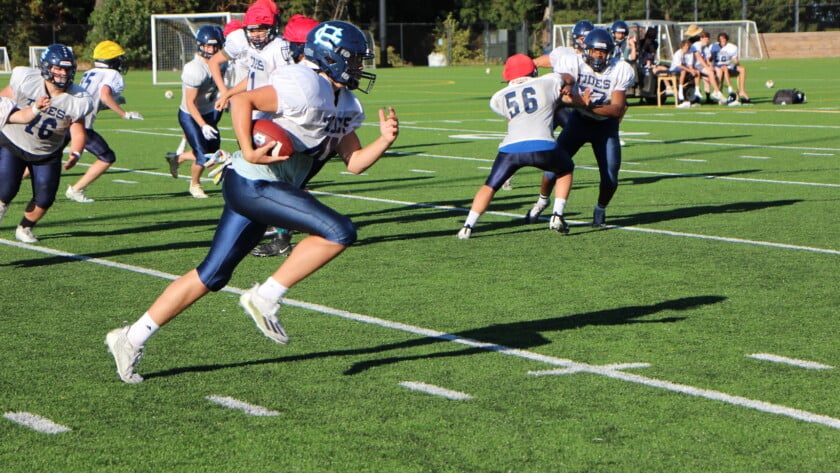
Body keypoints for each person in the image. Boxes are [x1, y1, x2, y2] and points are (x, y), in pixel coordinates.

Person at [105, 20, 398, 384]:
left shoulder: (346, 101)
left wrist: (384, 140)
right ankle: (266, 296)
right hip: (252, 182)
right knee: (339, 231)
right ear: (331, 57)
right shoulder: (304, 82)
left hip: (266, 189)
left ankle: (130, 338)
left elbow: (353, 163)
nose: (359, 67)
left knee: (211, 275)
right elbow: (244, 100)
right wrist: (247, 149)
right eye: (353, 60)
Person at [456, 54, 574, 239]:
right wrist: (566, 86)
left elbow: (509, 116)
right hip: (543, 144)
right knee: (566, 170)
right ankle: (557, 215)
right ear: (533, 70)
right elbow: (567, 76)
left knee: (490, 185)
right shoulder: (548, 81)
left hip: (511, 149)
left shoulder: (498, 97)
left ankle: (467, 226)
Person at [526, 28, 635, 228]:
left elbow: (617, 109)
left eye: (602, 52)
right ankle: (542, 201)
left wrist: (586, 104)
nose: (598, 55)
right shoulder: (574, 61)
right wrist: (567, 85)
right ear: (587, 50)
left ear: (609, 52)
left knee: (610, 177)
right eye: (594, 51)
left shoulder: (620, 69)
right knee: (552, 167)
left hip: (605, 127)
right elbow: (567, 77)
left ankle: (600, 209)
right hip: (579, 122)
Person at [0, 44, 94, 243]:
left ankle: (25, 227)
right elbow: (3, 102)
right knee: (5, 189)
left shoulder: (79, 98)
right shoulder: (26, 79)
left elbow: (77, 129)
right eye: (58, 68)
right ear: (46, 67)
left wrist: (76, 152)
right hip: (13, 141)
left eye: (66, 69)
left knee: (45, 198)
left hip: (47, 151)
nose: (62, 74)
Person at [249, 13, 320, 258]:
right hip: (304, 136)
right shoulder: (286, 59)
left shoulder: (294, 68)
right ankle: (283, 231)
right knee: (285, 187)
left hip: (293, 133)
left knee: (281, 186)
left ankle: (288, 234)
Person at [64, 40, 144, 203]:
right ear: (112, 60)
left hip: (65, 118)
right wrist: (124, 114)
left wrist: (111, 105)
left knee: (42, 157)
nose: (121, 62)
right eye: (119, 58)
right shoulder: (113, 74)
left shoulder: (90, 72)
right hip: (80, 125)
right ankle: (76, 189)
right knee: (107, 157)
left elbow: (93, 100)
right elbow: (104, 95)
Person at [165, 25, 227, 198]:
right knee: (204, 156)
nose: (211, 49)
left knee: (213, 152)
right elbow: (190, 103)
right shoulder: (195, 69)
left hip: (210, 111)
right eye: (207, 46)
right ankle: (195, 185)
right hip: (190, 115)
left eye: (214, 46)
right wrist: (203, 125)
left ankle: (177, 158)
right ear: (200, 45)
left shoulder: (222, 62)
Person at [711, 32, 750, 103]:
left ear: (726, 39)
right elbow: (711, 59)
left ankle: (742, 91)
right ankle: (727, 88)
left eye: (724, 39)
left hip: (727, 65)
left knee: (742, 69)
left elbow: (735, 59)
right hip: (718, 66)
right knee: (723, 68)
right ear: (718, 40)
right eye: (721, 39)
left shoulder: (732, 47)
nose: (723, 41)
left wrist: (737, 63)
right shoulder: (714, 46)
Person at [690, 31, 725, 104]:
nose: (707, 41)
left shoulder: (705, 47)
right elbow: (699, 58)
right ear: (701, 39)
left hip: (701, 66)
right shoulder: (697, 45)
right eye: (705, 39)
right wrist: (707, 67)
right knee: (710, 73)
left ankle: (715, 92)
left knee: (718, 71)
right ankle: (717, 92)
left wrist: (710, 66)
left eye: (708, 39)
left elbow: (708, 59)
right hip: (695, 66)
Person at [669, 39, 703, 107]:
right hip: (675, 69)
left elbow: (690, 65)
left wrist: (692, 70)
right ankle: (680, 91)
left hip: (685, 68)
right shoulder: (678, 53)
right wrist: (690, 70)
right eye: (685, 46)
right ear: (682, 46)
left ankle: (697, 90)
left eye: (688, 46)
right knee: (683, 71)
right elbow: (679, 65)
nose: (687, 48)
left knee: (697, 72)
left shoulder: (690, 53)